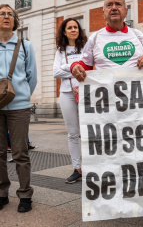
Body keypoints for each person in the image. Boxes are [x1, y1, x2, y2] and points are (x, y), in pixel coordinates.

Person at [0, 4, 37, 212]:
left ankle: (25, 195)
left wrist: (21, 96)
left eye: (10, 14)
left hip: (19, 107)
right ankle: (2, 193)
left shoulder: (25, 46)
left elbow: (32, 77)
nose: (6, 17)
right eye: (2, 14)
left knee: (20, 152)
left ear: (15, 21)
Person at [71, 0, 143, 81]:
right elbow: (85, 65)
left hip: (136, 92)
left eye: (118, 4)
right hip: (106, 93)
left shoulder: (138, 35)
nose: (114, 8)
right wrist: (75, 66)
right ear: (104, 13)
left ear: (126, 12)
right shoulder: (95, 38)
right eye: (109, 5)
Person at [53, 18, 87, 183]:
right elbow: (55, 72)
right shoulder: (60, 51)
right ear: (64, 32)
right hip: (67, 93)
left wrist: (66, 67)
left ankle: (93, 166)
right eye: (69, 28)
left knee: (88, 131)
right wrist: (73, 68)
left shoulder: (86, 47)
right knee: (73, 133)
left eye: (76, 27)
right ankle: (77, 168)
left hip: (86, 92)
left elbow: (88, 68)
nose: (73, 30)